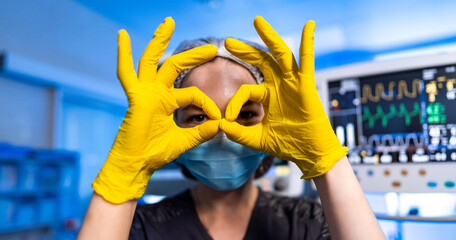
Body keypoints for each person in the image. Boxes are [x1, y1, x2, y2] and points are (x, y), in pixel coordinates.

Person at [77, 16, 385, 240]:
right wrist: (124, 174)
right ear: (172, 127)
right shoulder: (140, 226)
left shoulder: (307, 222)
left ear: (273, 122)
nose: (223, 134)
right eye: (199, 117)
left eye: (246, 113)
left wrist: (328, 161)